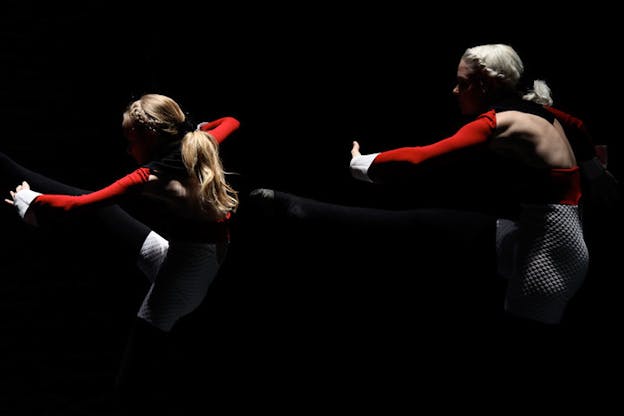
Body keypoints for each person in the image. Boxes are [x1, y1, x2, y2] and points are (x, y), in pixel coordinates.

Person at [249, 44, 602, 328]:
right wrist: (601, 178)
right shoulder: (543, 113)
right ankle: (293, 207)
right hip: (538, 238)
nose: (454, 90)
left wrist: (361, 162)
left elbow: (423, 158)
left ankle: (294, 208)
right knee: (421, 224)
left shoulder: (504, 122)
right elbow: (581, 128)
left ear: (486, 84)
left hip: (547, 262)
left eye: (462, 83)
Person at [2, 93, 240, 409]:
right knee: (108, 213)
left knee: (133, 373)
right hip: (186, 259)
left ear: (152, 137)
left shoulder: (151, 177)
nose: (128, 150)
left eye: (131, 140)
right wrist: (197, 128)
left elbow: (77, 207)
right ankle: (5, 165)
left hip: (183, 283)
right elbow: (232, 121)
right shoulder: (201, 142)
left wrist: (27, 201)